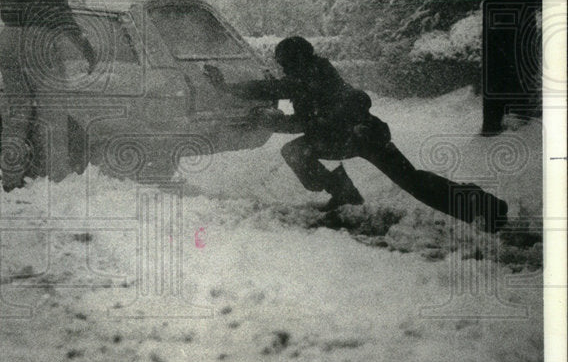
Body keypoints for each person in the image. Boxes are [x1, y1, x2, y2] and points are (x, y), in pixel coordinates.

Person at [205, 36, 508, 232]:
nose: (282, 70)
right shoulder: (316, 71)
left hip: (354, 136)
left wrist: (228, 90)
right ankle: (483, 205)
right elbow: (306, 112)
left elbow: (290, 108)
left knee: (298, 151)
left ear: (294, 61)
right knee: (411, 179)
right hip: (358, 135)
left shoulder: (307, 78)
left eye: (284, 64)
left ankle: (344, 192)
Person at [0, 0, 97, 191]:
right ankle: (57, 181)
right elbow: (61, 15)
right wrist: (83, 44)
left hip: (10, 40)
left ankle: (11, 179)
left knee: (16, 117)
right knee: (53, 117)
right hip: (40, 43)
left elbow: (8, 11)